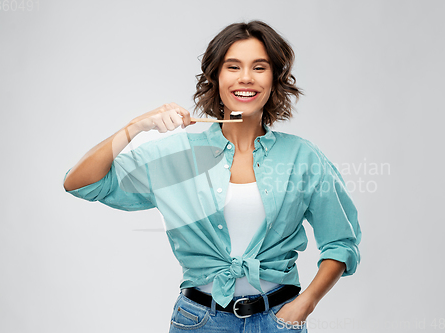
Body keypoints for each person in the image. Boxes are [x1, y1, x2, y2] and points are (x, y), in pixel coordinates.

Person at [63, 20, 361, 332]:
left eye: (259, 67)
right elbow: (80, 182)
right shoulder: (175, 156)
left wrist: (305, 304)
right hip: (200, 322)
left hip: (279, 322)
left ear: (275, 78)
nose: (245, 78)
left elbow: (341, 242)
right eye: (233, 67)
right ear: (215, 77)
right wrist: (136, 126)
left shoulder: (302, 156)